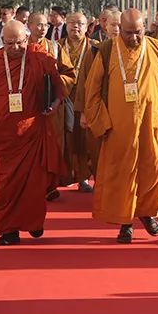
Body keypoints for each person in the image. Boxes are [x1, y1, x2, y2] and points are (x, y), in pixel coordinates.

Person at [83, 9, 158, 243]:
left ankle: (147, 213)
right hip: (118, 129)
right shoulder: (107, 51)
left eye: (138, 32)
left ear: (144, 28)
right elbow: (92, 91)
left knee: (155, 171)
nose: (134, 38)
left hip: (151, 125)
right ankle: (125, 224)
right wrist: (101, 123)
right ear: (120, 30)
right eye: (128, 33)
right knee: (122, 176)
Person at [0, 21, 66, 245]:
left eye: (19, 42)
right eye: (9, 43)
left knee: (35, 185)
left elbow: (58, 88)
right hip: (5, 137)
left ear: (28, 39)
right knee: (7, 186)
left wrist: (54, 104)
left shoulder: (40, 58)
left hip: (34, 132)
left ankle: (33, 222)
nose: (15, 47)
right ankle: (8, 230)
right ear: (2, 42)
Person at [29, 14, 76, 199]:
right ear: (29, 25)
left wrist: (55, 82)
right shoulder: (22, 47)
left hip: (53, 107)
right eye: (38, 25)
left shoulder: (55, 47)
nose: (42, 28)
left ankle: (50, 186)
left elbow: (70, 74)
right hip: (29, 107)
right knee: (31, 147)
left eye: (45, 25)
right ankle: (32, 183)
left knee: (54, 146)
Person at [65, 13, 99, 193]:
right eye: (71, 23)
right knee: (67, 139)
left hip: (87, 98)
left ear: (88, 27)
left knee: (85, 140)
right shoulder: (58, 46)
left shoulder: (95, 49)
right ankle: (68, 173)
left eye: (79, 24)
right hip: (64, 99)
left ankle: (84, 177)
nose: (75, 27)